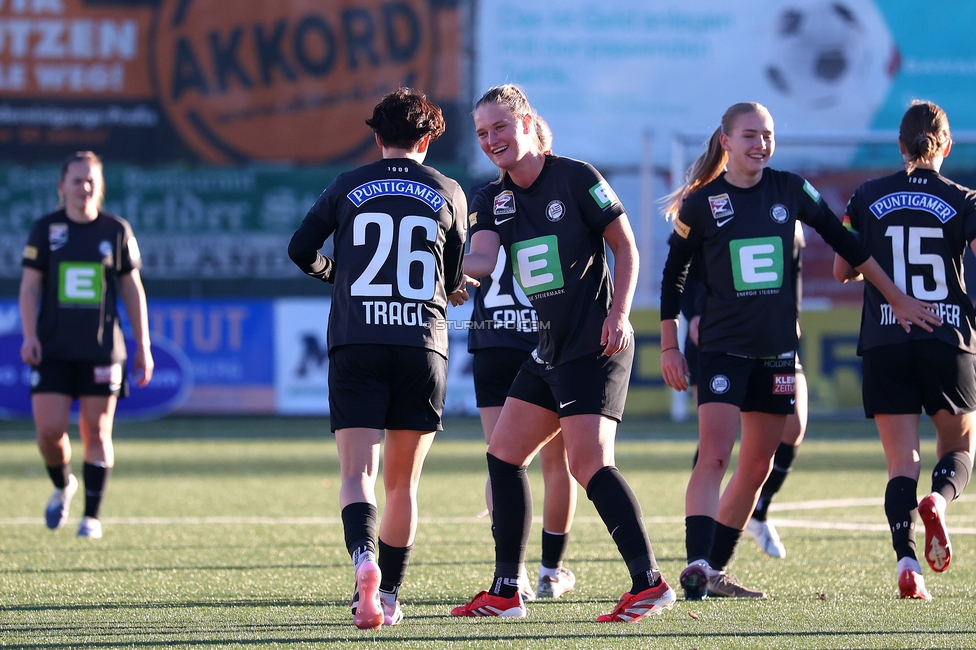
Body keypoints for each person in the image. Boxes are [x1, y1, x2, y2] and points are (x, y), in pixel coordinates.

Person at [660, 102, 941, 600]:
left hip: (778, 355)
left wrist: (896, 297)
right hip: (723, 352)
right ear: (725, 142)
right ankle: (697, 560)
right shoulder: (702, 204)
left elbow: (846, 242)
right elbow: (673, 276)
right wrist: (669, 344)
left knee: (758, 466)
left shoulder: (790, 189)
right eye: (750, 135)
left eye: (767, 135)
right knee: (715, 456)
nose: (760, 144)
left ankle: (713, 573)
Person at [452, 84, 675, 622]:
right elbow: (481, 255)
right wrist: (453, 269)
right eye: (482, 133)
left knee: (588, 463)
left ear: (526, 121)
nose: (491, 140)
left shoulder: (577, 177)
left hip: (595, 342)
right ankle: (507, 591)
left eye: (499, 127)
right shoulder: (490, 198)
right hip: (549, 347)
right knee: (503, 456)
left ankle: (649, 584)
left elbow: (626, 246)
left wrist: (619, 314)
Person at [288, 88, 467, 629]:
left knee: (356, 475)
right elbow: (453, 275)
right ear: (429, 138)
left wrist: (334, 274)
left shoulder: (349, 184)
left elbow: (300, 248)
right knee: (402, 485)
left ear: (376, 136)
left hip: (357, 341)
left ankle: (363, 560)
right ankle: (388, 594)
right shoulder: (448, 190)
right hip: (422, 344)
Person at [833, 100, 976, 600]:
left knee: (901, 461)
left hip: (886, 338)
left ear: (900, 145)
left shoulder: (867, 195)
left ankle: (907, 563)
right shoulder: (964, 199)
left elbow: (840, 270)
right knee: (958, 448)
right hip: (946, 334)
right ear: (947, 145)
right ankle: (938, 498)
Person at [467, 114, 577, 601]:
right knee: (557, 463)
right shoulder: (555, 198)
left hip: (492, 337)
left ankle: (513, 575)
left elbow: (477, 263)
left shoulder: (488, 201)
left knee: (502, 461)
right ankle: (551, 570)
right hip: (543, 337)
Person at [20, 150, 153, 541]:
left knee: (96, 431)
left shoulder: (116, 230)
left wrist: (142, 345)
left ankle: (91, 518)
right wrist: (29, 335)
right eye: (76, 181)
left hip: (101, 350)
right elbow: (29, 286)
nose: (84, 188)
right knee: (49, 431)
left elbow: (132, 288)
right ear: (62, 187)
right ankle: (63, 485)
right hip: (53, 348)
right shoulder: (45, 229)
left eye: (91, 180)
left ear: (101, 187)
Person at [685, 220, 809, 559]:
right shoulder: (706, 207)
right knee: (715, 446)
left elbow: (793, 268)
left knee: (793, 428)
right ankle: (706, 538)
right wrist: (694, 316)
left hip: (772, 333)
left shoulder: (784, 201)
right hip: (718, 333)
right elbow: (684, 273)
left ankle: (756, 511)